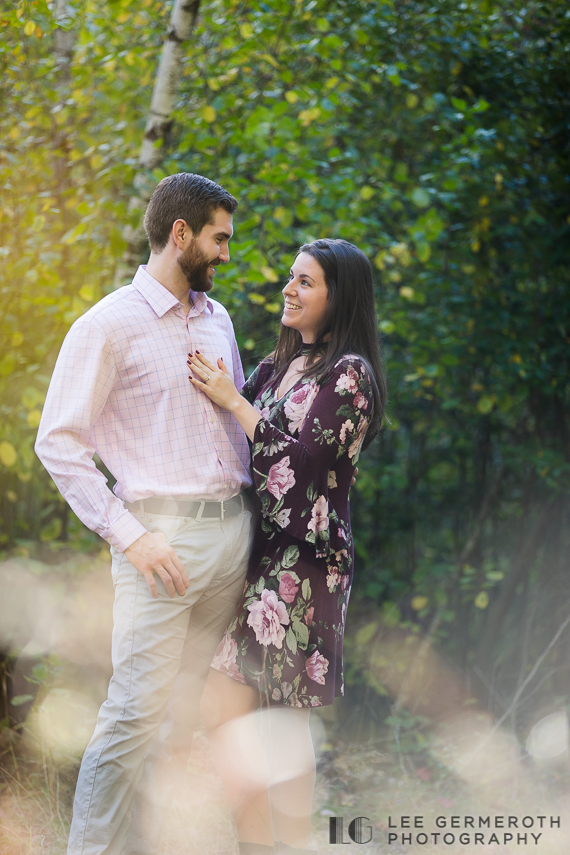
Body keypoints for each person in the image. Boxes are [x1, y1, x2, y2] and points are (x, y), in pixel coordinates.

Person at [35, 173, 255, 855]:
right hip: (159, 542)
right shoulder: (107, 324)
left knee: (182, 718)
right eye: (218, 237)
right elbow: (59, 442)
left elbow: (243, 427)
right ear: (181, 233)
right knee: (132, 714)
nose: (225, 252)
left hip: (230, 539)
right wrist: (130, 536)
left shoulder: (217, 320)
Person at [187, 238, 387, 855]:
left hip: (305, 563)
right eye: (290, 279)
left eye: (305, 283)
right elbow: (226, 430)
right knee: (229, 712)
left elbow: (301, 468)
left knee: (282, 713)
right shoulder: (277, 367)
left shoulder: (351, 375)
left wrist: (235, 402)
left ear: (339, 296)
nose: (288, 290)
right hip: (254, 554)